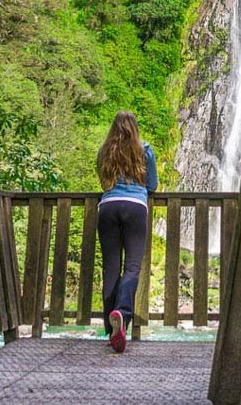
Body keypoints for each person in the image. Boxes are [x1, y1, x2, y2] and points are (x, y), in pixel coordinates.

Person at [96, 110, 157, 353]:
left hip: (108, 206)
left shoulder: (104, 151)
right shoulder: (145, 149)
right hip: (135, 207)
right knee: (132, 267)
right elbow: (152, 185)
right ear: (135, 128)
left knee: (111, 267)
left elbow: (103, 180)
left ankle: (111, 328)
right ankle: (121, 314)